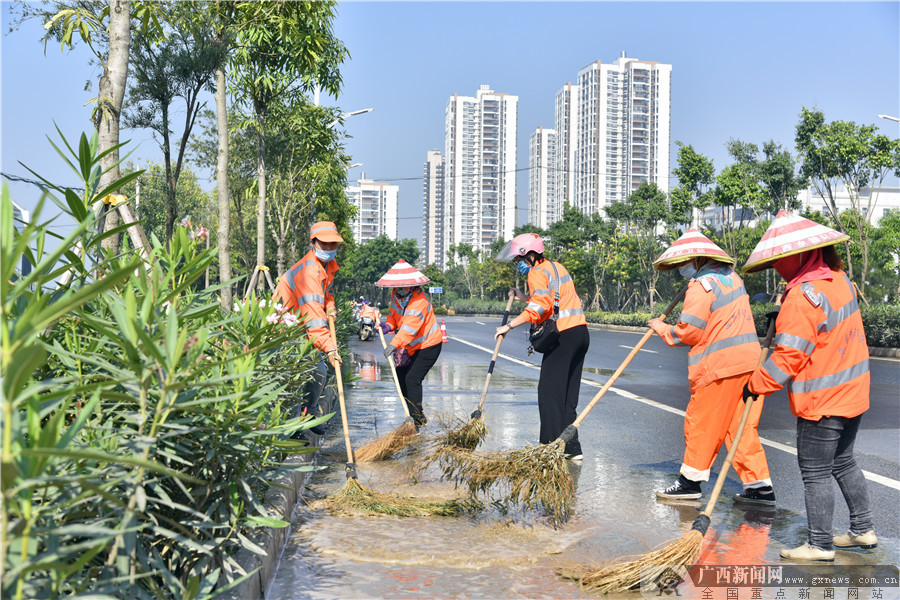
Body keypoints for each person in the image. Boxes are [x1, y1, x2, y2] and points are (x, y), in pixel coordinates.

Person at [743, 211, 876, 561]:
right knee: (843, 461)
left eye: (780, 259)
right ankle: (863, 530)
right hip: (853, 392)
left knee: (815, 471)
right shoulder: (839, 279)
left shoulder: (803, 295)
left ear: (802, 255)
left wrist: (756, 383)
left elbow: (788, 358)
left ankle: (819, 544)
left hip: (823, 400)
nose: (777, 267)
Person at [647, 229, 773, 505]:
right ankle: (760, 488)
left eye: (684, 262)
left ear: (697, 259)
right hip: (749, 364)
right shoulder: (732, 278)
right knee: (740, 427)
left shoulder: (701, 285)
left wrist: (662, 329)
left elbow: (689, 331)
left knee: (702, 423)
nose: (682, 268)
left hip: (718, 367)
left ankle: (689, 483)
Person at [493, 233, 589, 460]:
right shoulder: (556, 267)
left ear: (532, 255)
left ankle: (548, 448)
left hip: (563, 336)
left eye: (520, 260)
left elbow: (540, 307)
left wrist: (509, 326)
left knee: (549, 394)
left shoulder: (536, 272)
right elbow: (551, 301)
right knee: (566, 398)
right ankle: (571, 449)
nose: (519, 265)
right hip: (580, 333)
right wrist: (525, 297)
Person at [274, 221, 344, 435]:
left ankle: (308, 416)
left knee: (318, 374)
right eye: (325, 244)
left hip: (302, 328)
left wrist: (330, 307)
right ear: (313, 243)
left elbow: (326, 294)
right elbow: (314, 320)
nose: (330, 248)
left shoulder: (326, 266)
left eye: (333, 244)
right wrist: (331, 348)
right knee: (301, 377)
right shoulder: (308, 273)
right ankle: (292, 427)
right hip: (287, 331)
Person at [375, 260, 443, 429]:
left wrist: (393, 344)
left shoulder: (420, 301)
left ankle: (417, 419)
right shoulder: (396, 295)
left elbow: (408, 329)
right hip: (410, 346)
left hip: (429, 345)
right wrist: (388, 325)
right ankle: (410, 414)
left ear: (412, 286)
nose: (400, 290)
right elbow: (394, 315)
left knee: (412, 379)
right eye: (398, 287)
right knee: (400, 377)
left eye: (404, 287)